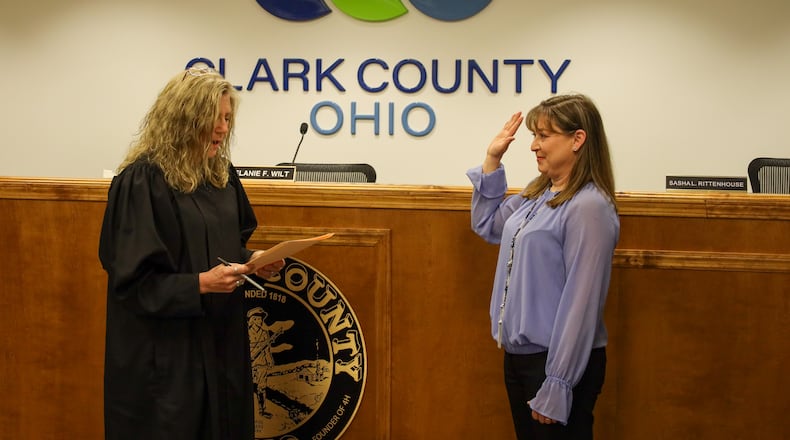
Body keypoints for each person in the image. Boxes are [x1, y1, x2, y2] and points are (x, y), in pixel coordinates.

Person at [98, 66, 285, 440]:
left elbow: (226, 244)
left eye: (227, 117)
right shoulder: (142, 181)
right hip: (167, 354)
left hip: (221, 340)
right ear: (182, 119)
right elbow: (132, 282)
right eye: (212, 118)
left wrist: (253, 261)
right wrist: (200, 284)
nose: (222, 128)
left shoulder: (220, 175)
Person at [466, 94, 619, 439]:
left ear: (577, 139)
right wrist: (493, 158)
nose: (534, 145)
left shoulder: (589, 207)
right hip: (520, 358)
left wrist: (558, 383)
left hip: (556, 365)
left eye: (544, 136)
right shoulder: (539, 194)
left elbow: (582, 304)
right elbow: (487, 224)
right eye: (534, 135)